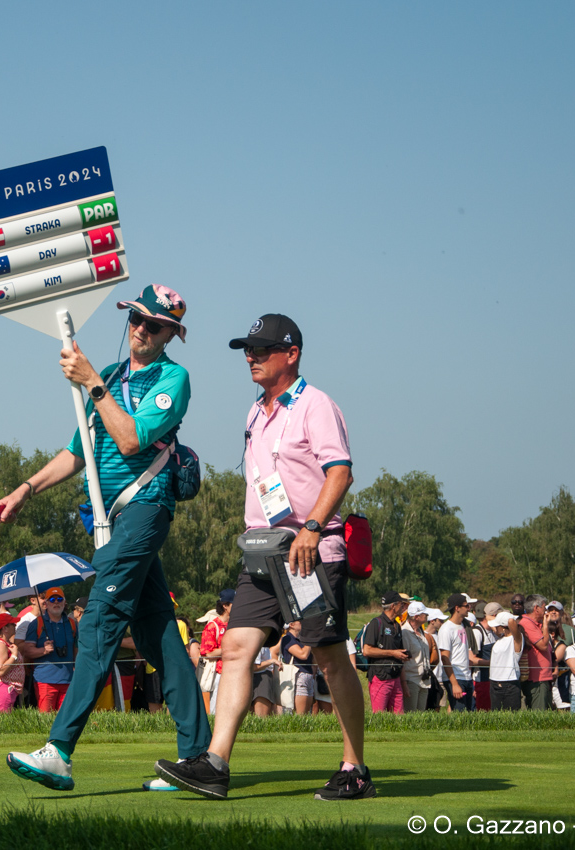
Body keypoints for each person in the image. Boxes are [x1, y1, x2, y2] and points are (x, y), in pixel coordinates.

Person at [0, 284, 209, 793]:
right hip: (114, 516)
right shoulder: (109, 378)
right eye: (135, 318)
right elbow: (77, 453)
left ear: (169, 336)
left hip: (146, 506)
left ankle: (60, 751)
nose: (140, 328)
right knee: (162, 638)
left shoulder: (172, 379)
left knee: (98, 623)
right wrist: (26, 489)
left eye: (153, 325)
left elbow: (132, 437)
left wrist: (92, 382)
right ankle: (198, 758)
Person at [156, 313, 368, 803]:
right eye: (247, 349)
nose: (250, 356)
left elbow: (340, 473)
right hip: (262, 552)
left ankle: (354, 767)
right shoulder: (256, 411)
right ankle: (216, 764)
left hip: (308, 552)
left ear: (290, 354)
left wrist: (312, 527)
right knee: (235, 649)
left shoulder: (315, 405)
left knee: (330, 657)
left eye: (261, 349)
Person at [23, 587, 76, 712]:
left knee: (65, 718)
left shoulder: (72, 624)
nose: (56, 602)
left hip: (68, 680)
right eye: (52, 599)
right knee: (45, 719)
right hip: (45, 681)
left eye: (59, 599)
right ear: (46, 603)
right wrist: (44, 650)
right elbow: (27, 651)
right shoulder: (36, 623)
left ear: (64, 602)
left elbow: (76, 651)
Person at [361, 591, 407, 714]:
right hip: (380, 677)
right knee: (379, 716)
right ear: (393, 606)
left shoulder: (397, 625)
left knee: (399, 718)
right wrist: (393, 653)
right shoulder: (376, 623)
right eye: (401, 604)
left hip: (396, 677)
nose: (403, 607)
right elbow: (367, 650)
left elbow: (398, 652)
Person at [437, 594, 475, 712]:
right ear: (457, 608)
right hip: (456, 677)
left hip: (466, 676)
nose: (469, 608)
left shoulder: (465, 626)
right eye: (466, 606)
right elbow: (445, 658)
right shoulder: (447, 629)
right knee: (460, 714)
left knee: (470, 714)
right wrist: (454, 684)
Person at [198, 590, 232, 713]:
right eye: (234, 604)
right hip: (219, 673)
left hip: (235, 672)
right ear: (225, 606)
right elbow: (208, 653)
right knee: (216, 709)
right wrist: (230, 650)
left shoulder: (236, 625)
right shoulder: (213, 626)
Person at [518, 594, 554, 710]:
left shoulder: (536, 624)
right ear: (536, 608)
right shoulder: (527, 624)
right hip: (536, 679)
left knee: (546, 711)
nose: (545, 611)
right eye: (544, 607)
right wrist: (546, 624)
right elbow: (543, 645)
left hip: (543, 677)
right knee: (539, 712)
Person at [400, 602, 435, 713]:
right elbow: (403, 660)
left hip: (424, 680)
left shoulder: (421, 631)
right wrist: (404, 683)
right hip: (411, 679)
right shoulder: (405, 632)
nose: (427, 616)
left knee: (421, 716)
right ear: (416, 617)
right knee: (411, 716)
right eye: (424, 613)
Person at [0, 612, 25, 713]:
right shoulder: (0, 645)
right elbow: (0, 670)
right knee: (1, 723)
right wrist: (14, 655)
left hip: (8, 688)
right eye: (12, 624)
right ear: (5, 628)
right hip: (3, 689)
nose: (15, 626)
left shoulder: (6, 643)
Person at [487, 611, 524, 710]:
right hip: (494, 682)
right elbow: (487, 617)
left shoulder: (516, 639)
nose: (495, 628)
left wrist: (507, 619)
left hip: (509, 683)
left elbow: (511, 622)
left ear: (503, 626)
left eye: (497, 625)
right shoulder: (500, 639)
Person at [280, 620, 317, 715]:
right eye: (300, 622)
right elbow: (302, 655)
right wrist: (310, 639)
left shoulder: (302, 639)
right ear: (291, 625)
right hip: (298, 676)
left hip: (308, 675)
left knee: (307, 713)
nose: (303, 623)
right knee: (300, 714)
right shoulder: (287, 639)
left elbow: (313, 660)